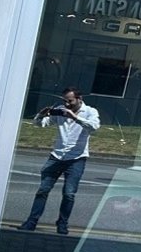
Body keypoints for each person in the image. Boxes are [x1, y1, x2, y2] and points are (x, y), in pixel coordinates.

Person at [18, 86, 100, 235]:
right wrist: (41, 115)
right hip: (57, 156)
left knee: (69, 193)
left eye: (70, 101)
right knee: (43, 190)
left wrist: (74, 117)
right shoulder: (61, 110)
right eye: (65, 101)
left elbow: (94, 127)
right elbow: (40, 124)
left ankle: (62, 223)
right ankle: (31, 222)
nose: (67, 104)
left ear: (79, 99)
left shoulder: (90, 112)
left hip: (76, 158)